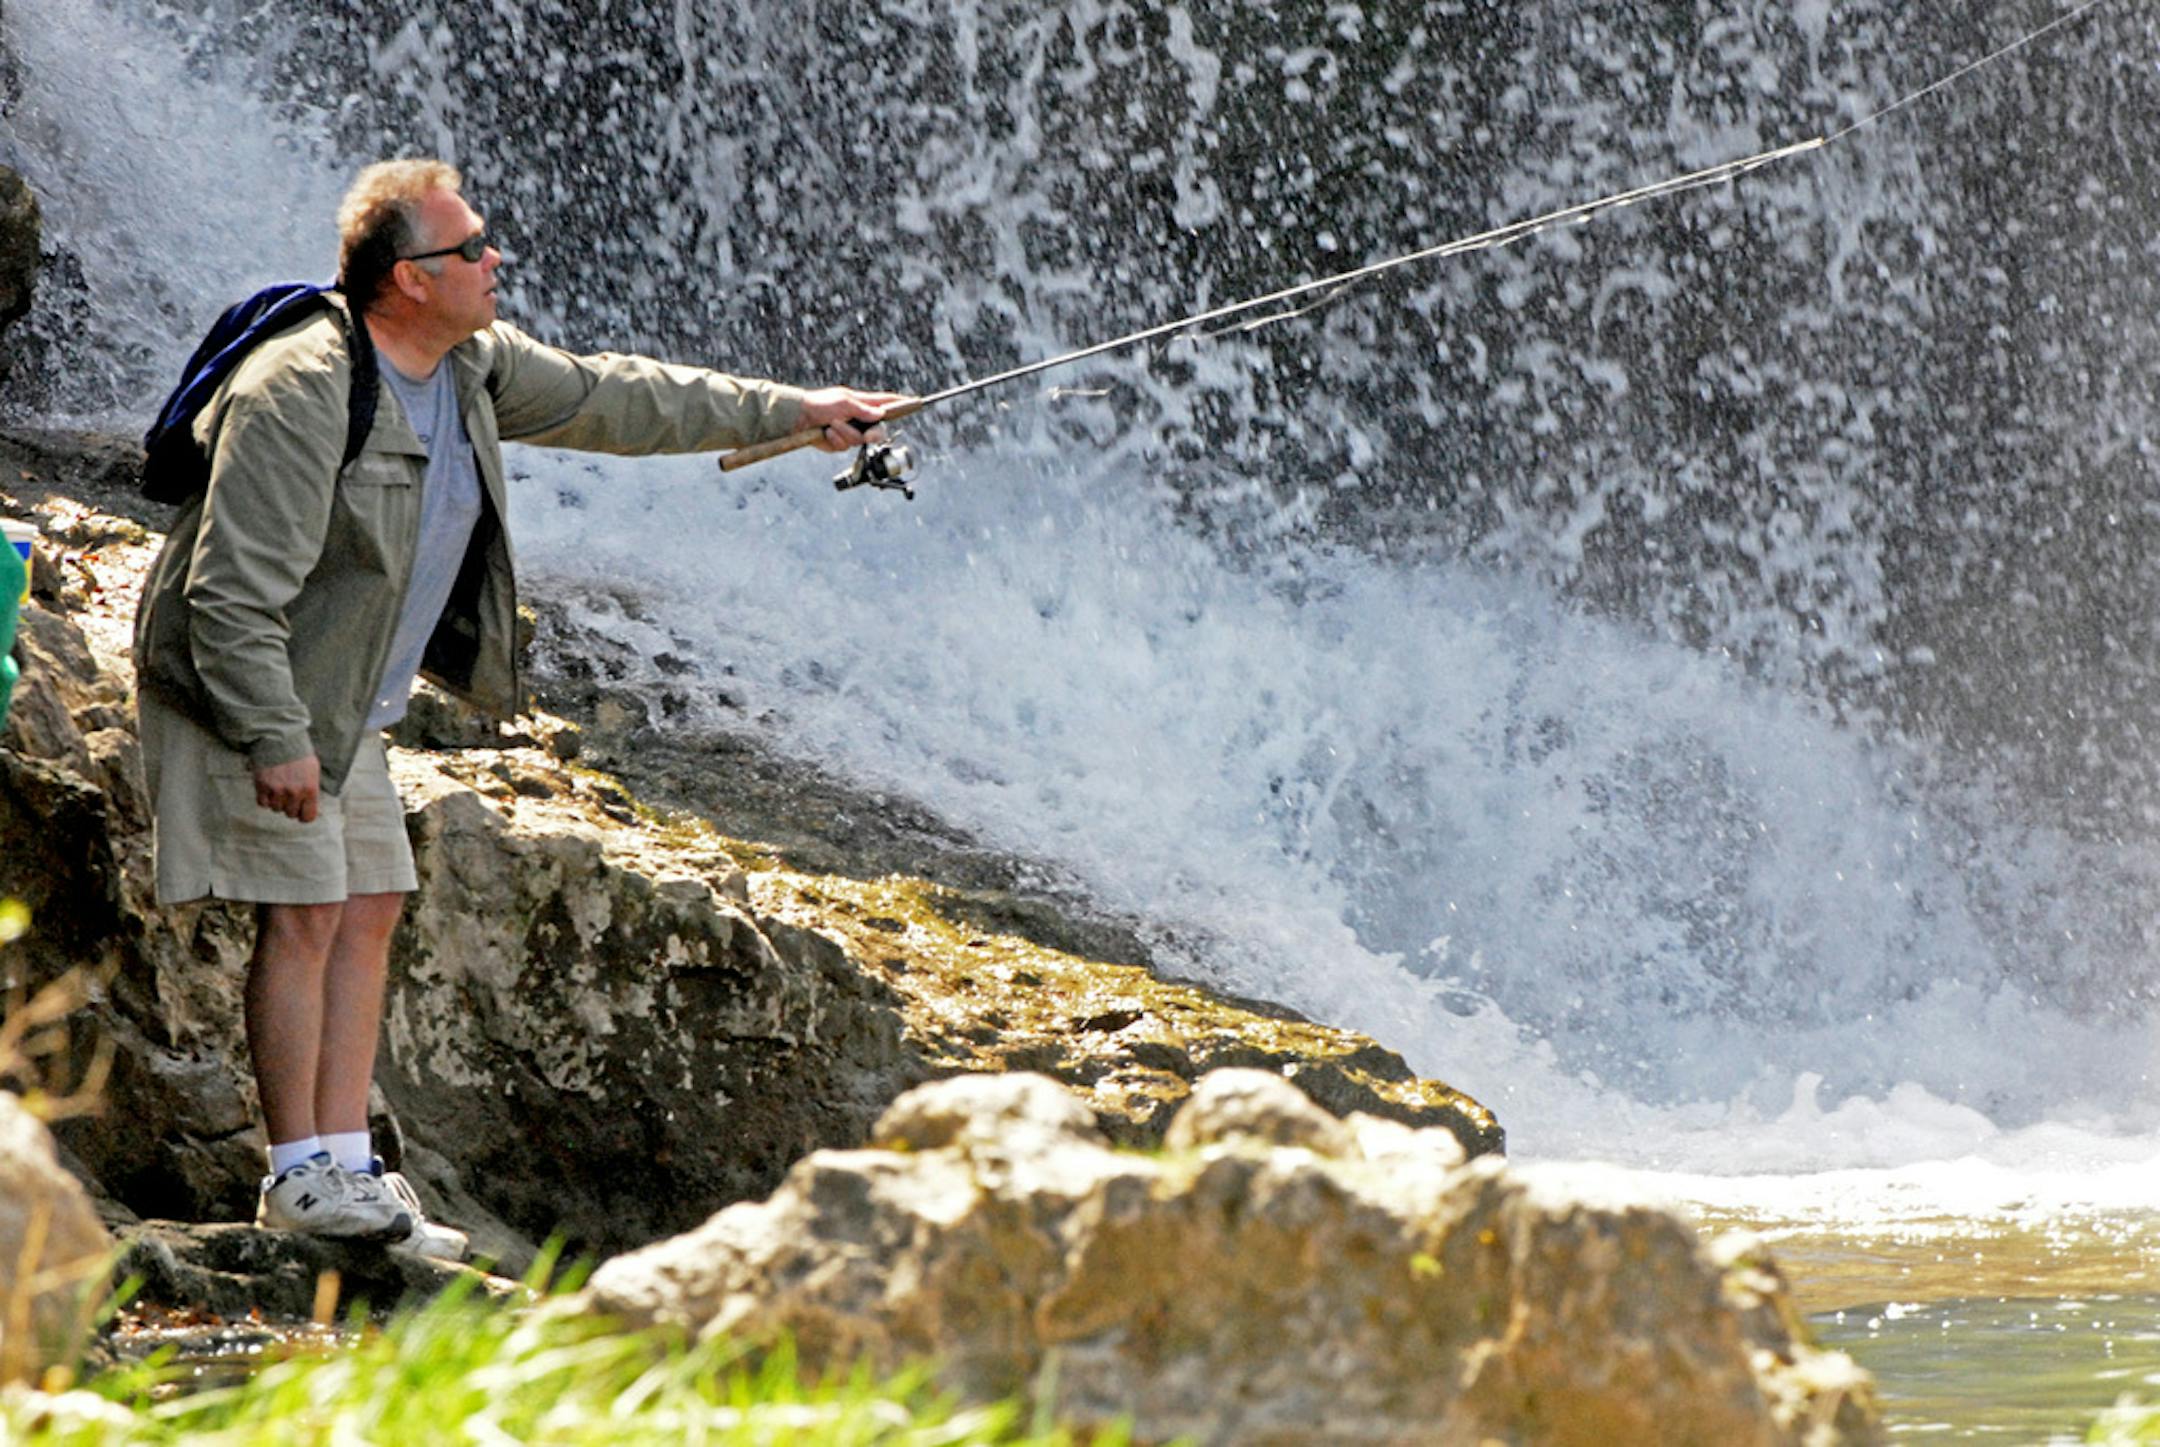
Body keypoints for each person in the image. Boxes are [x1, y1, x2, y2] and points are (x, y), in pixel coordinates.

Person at [132, 159, 904, 1257]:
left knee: (371, 904)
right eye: (470, 249)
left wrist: (796, 411)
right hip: (254, 689)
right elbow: (228, 592)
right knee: (303, 916)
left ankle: (351, 1170)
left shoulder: (469, 364)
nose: (494, 259)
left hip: (346, 695)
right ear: (408, 279)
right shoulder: (299, 389)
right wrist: (274, 736)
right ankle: (298, 1177)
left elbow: (615, 395)